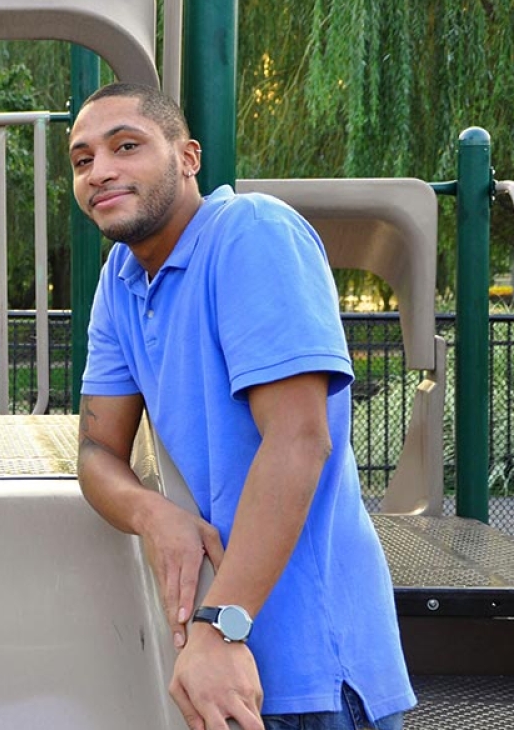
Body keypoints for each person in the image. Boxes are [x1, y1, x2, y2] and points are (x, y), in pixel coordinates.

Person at [68, 83, 415, 730]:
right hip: (218, 661)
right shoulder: (120, 280)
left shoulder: (251, 233)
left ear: (188, 157)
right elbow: (95, 452)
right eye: (83, 159)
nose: (101, 170)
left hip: (310, 670)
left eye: (126, 146)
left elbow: (299, 441)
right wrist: (153, 514)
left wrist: (220, 627)